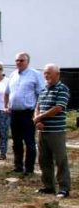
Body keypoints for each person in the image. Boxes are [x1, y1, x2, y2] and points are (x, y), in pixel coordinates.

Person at [34, 64, 71, 199]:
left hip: (56, 131)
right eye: (45, 73)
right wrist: (37, 120)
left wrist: (40, 117)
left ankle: (64, 188)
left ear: (57, 74)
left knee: (60, 159)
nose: (46, 76)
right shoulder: (43, 90)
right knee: (44, 159)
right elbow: (37, 107)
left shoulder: (62, 89)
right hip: (42, 131)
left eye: (49, 73)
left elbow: (58, 108)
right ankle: (48, 186)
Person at [5, 52, 45, 176]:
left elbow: (41, 95)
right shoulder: (12, 75)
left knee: (29, 142)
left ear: (27, 62)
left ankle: (29, 168)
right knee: (16, 142)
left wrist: (39, 114)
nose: (18, 62)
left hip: (28, 113)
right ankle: (18, 166)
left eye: (21, 60)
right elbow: (7, 93)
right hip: (14, 114)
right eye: (17, 60)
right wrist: (5, 106)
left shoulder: (35, 74)